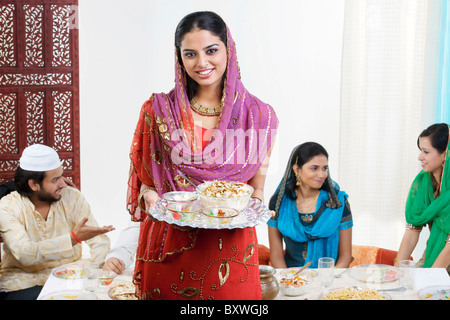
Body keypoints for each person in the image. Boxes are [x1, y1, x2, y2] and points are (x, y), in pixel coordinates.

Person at [127, 11, 278, 300]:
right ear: (179, 58)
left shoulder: (258, 116)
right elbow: (147, 180)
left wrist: (257, 206)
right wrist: (149, 195)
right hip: (171, 245)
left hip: (231, 252)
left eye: (211, 50)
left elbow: (257, 188)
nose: (202, 63)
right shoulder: (157, 111)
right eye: (190, 54)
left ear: (228, 50)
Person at [0, 144, 114, 300]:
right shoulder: (8, 206)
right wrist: (72, 238)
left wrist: (95, 275)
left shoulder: (72, 197)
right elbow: (25, 254)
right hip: (22, 283)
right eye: (55, 179)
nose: (63, 183)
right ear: (34, 184)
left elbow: (99, 242)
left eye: (62, 175)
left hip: (69, 278)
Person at [267, 142, 353, 268]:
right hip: (290, 278)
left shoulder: (337, 203)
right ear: (297, 169)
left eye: (325, 168)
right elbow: (276, 256)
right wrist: (290, 282)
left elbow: (345, 256)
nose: (322, 174)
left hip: (329, 279)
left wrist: (327, 281)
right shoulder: (279, 203)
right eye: (314, 168)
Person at [395, 123, 450, 273]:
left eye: (426, 152)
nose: (420, 157)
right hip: (435, 252)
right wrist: (396, 271)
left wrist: (430, 278)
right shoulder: (423, 184)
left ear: (445, 154)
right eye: (420, 151)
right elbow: (412, 231)